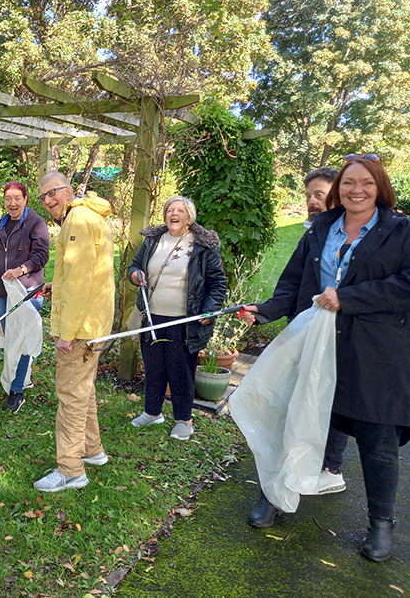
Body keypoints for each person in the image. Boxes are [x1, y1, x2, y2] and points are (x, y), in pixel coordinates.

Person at [240, 154, 410, 562]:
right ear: (338, 189)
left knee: (378, 438)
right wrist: (265, 309)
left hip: (375, 353)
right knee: (293, 420)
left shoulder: (401, 231)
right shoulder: (320, 228)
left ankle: (381, 524)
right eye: (349, 183)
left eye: (366, 183)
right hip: (315, 347)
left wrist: (347, 298)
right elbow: (295, 282)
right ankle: (275, 495)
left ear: (379, 187)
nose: (357, 190)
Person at [33, 172, 114, 492]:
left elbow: (81, 284)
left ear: (68, 191)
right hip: (91, 322)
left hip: (81, 329)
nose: (48, 200)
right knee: (83, 389)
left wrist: (66, 334)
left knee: (70, 396)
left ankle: (70, 469)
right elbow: (82, 274)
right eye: (43, 197)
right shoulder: (82, 215)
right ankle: (93, 450)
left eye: (53, 192)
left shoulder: (77, 220)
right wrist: (59, 285)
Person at [126, 196, 227, 441]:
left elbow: (217, 284)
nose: (174, 214)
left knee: (180, 370)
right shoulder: (153, 240)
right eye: (170, 210)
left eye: (180, 210)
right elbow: (134, 266)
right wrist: (135, 275)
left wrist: (208, 310)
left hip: (184, 321)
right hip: (152, 317)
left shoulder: (203, 246)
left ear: (189, 217)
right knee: (154, 367)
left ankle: (184, 420)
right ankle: (152, 412)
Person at [301, 167, 350, 495]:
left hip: (349, 331)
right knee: (311, 395)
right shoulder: (314, 232)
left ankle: (332, 467)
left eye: (319, 195)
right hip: (312, 327)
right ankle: (307, 460)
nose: (312, 201)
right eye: (308, 196)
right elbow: (295, 282)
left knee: (337, 398)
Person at [0, 180, 50, 413]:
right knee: (11, 338)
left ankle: (17, 391)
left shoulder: (36, 224)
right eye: (8, 199)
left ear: (26, 200)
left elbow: (42, 256)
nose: (12, 204)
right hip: (3, 291)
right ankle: (22, 378)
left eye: (17, 199)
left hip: (26, 291)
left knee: (22, 339)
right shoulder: (1, 224)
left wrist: (21, 270)